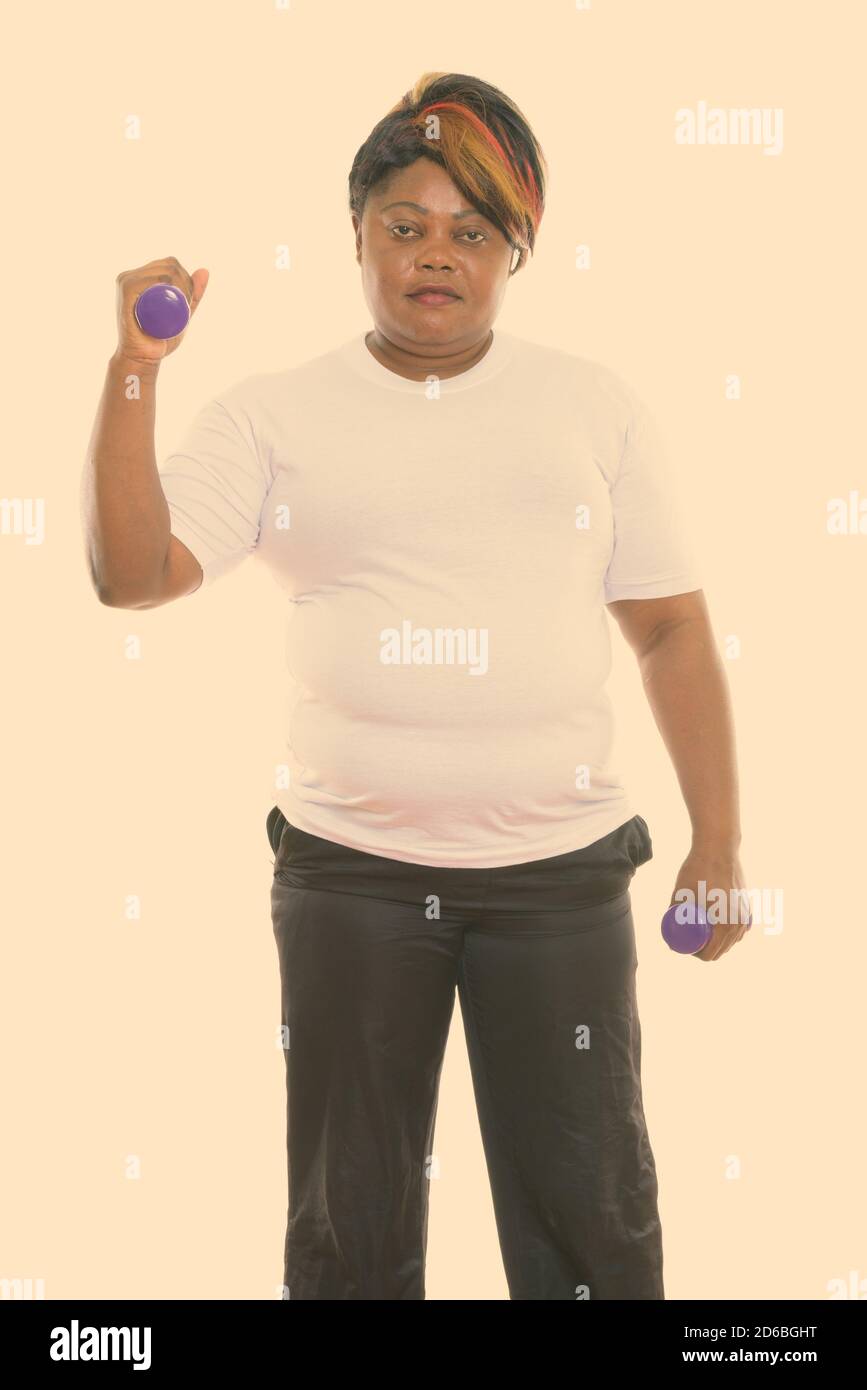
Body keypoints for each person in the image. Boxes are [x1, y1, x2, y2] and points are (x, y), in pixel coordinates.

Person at [82, 71, 750, 1301]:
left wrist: (719, 843)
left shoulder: (591, 406)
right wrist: (137, 368)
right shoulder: (273, 414)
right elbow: (131, 577)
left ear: (516, 250)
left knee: (594, 1227)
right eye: (406, 226)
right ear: (357, 235)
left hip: (559, 879)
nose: (435, 256)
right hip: (351, 877)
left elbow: (670, 630)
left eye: (472, 232)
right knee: (348, 1238)